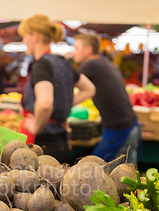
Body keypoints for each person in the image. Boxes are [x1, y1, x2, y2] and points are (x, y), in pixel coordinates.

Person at [18, 15, 96, 163]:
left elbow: (45, 102)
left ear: (34, 36)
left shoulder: (42, 64)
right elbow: (89, 89)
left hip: (43, 146)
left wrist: (36, 127)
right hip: (61, 142)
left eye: (25, 36)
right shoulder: (62, 62)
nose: (23, 41)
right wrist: (64, 103)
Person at [73, 33, 140, 165]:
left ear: (88, 50)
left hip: (119, 129)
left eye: (76, 48)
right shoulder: (105, 62)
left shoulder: (90, 65)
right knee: (126, 178)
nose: (73, 53)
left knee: (91, 170)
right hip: (131, 126)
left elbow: (67, 84)